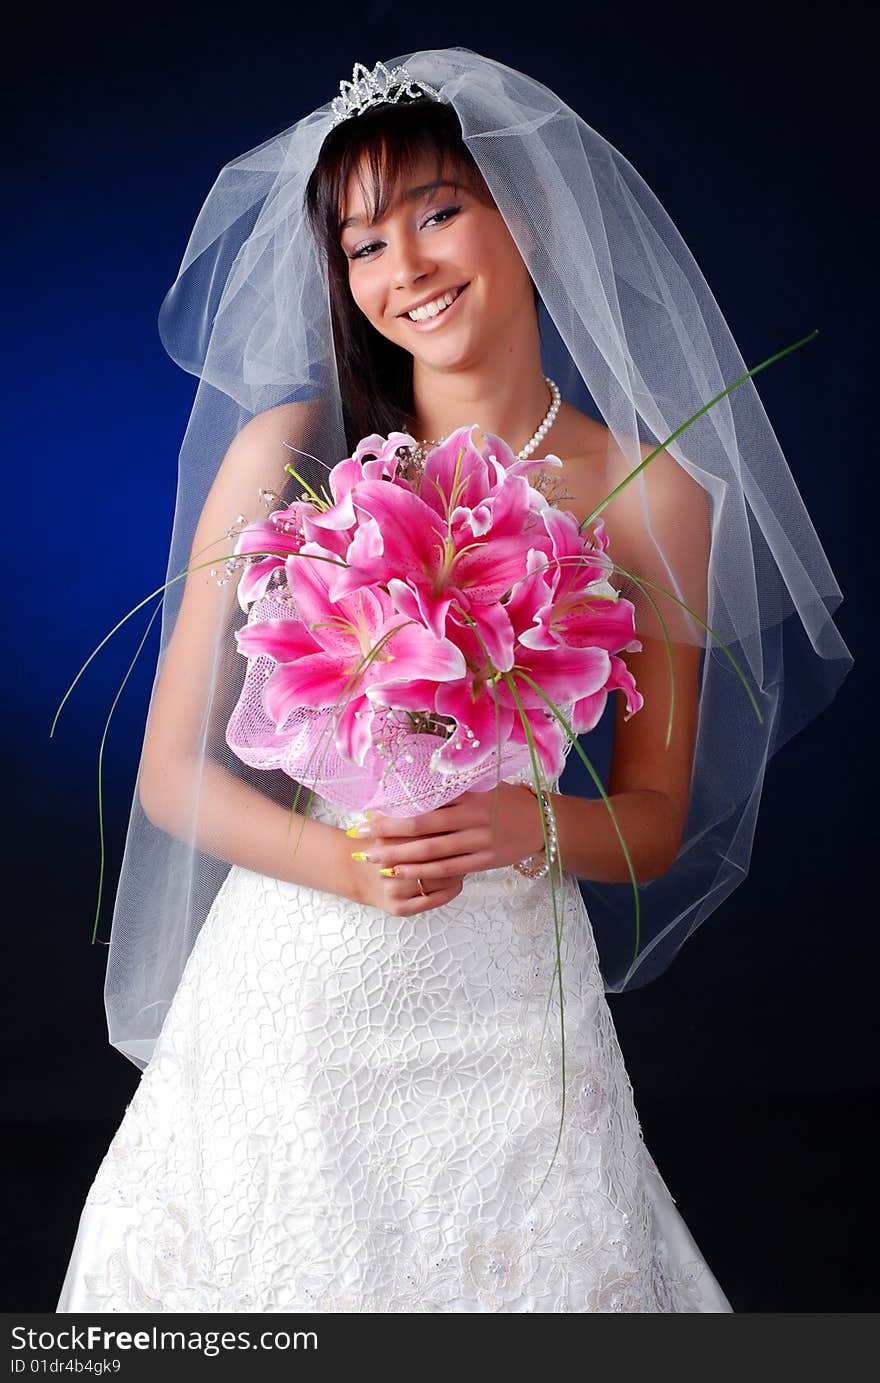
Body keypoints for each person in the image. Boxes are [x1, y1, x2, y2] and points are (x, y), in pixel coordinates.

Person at [55, 48, 851, 1312]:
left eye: (437, 212)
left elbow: (649, 824)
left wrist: (527, 823)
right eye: (363, 244)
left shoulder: (651, 498)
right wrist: (344, 864)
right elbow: (169, 776)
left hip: (509, 1002)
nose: (405, 269)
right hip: (297, 993)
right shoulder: (291, 455)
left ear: (523, 215)